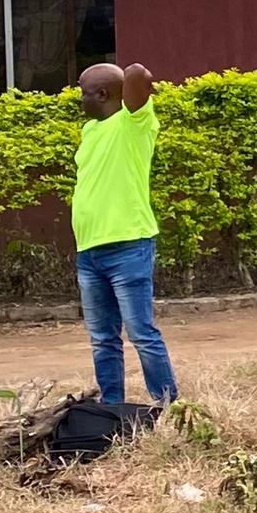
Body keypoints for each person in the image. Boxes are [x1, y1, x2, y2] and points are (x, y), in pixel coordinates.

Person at [70, 58, 177, 408]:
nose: (79, 99)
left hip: (128, 246)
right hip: (90, 251)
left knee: (141, 333)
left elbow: (135, 72)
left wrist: (140, 84)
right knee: (102, 337)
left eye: (83, 92)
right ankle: (112, 406)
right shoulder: (91, 130)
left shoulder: (135, 124)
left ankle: (166, 405)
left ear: (102, 94)